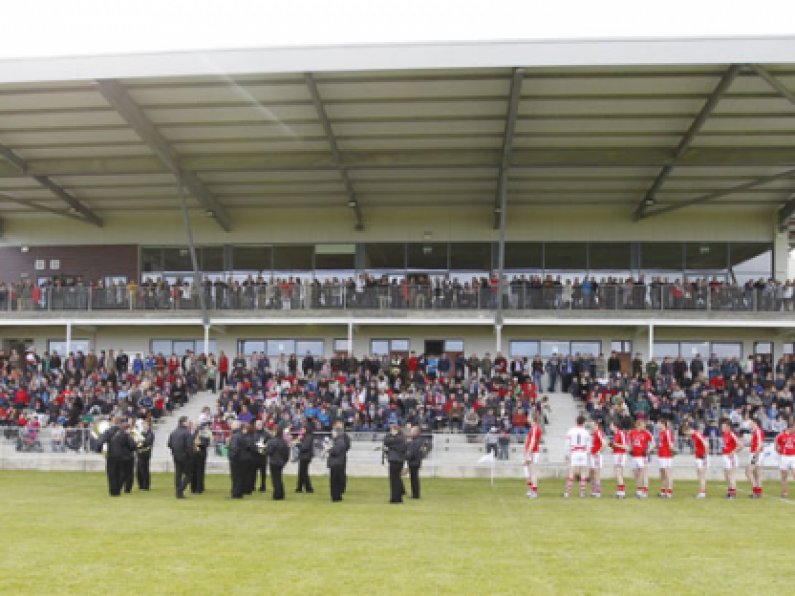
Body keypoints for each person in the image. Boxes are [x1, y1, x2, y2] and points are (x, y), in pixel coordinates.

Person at [564, 415, 591, 498]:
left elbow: (567, 444)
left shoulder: (571, 431)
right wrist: (588, 454)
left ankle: (567, 493)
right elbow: (589, 445)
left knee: (571, 473)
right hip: (583, 452)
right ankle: (582, 493)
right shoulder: (586, 432)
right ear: (583, 423)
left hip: (574, 452)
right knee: (583, 473)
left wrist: (567, 454)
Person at [628, 418, 655, 499]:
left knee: (644, 473)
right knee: (636, 473)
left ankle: (645, 491)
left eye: (645, 425)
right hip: (634, 456)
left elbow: (653, 444)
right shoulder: (632, 432)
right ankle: (639, 490)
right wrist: (630, 449)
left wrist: (648, 450)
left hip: (642, 456)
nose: (644, 426)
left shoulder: (647, 433)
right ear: (638, 425)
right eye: (643, 425)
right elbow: (629, 441)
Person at [167, 416, 193, 499]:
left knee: (178, 474)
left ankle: (178, 493)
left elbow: (169, 444)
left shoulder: (173, 432)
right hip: (185, 457)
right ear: (184, 422)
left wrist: (175, 451)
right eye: (188, 421)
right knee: (189, 474)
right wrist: (189, 455)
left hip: (175, 455)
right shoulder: (187, 432)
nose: (189, 423)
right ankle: (180, 490)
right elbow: (189, 446)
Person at [107, 423, 136, 497]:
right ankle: (125, 489)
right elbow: (132, 446)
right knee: (126, 474)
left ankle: (116, 489)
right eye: (129, 429)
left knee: (117, 474)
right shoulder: (127, 436)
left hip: (117, 456)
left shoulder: (115, 435)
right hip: (126, 457)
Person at [95, 416, 121, 496]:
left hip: (112, 454)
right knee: (119, 473)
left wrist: (98, 449)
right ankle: (118, 489)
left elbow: (101, 441)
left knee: (112, 473)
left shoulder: (109, 431)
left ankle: (113, 491)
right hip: (122, 455)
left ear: (112, 422)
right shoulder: (122, 431)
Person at [383, 422, 407, 503]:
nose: (391, 432)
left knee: (394, 480)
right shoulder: (400, 438)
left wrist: (391, 436)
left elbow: (386, 441)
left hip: (395, 460)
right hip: (398, 460)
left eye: (392, 430)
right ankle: (398, 497)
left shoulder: (398, 438)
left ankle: (395, 498)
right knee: (396, 479)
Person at [683, 424, 709, 498]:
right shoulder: (693, 436)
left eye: (686, 433)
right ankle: (701, 491)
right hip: (698, 456)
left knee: (702, 475)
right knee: (699, 475)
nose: (687, 435)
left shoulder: (697, 434)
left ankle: (703, 493)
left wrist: (705, 455)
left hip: (702, 457)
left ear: (688, 430)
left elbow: (706, 444)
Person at [720, 418, 743, 499]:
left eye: (723, 426)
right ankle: (730, 491)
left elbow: (741, 445)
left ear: (728, 427)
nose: (722, 428)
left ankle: (733, 493)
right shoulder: (724, 434)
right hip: (725, 455)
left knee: (731, 474)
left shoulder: (732, 434)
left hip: (730, 457)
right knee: (726, 474)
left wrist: (733, 452)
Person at [266, 425, 290, 500]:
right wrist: (284, 461)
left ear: (275, 432)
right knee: (279, 478)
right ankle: (281, 494)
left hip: (274, 462)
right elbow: (287, 453)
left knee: (275, 479)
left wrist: (260, 448)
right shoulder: (283, 442)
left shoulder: (272, 441)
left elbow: (268, 451)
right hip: (281, 462)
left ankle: (277, 495)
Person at [775, 418, 795, 498]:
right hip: (784, 457)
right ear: (790, 428)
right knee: (784, 475)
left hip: (793, 456)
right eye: (794, 428)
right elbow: (777, 446)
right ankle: (784, 491)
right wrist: (780, 453)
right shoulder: (780, 436)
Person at [746, 417, 765, 499]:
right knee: (756, 473)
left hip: (756, 453)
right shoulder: (756, 431)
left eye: (751, 422)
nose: (750, 424)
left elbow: (760, 443)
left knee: (748, 471)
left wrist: (755, 455)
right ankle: (758, 491)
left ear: (755, 423)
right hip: (756, 452)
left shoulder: (758, 431)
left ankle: (755, 490)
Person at [327, 426, 348, 502]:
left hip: (336, 463)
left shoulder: (339, 441)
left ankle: (336, 496)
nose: (332, 433)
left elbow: (336, 452)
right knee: (337, 481)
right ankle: (337, 496)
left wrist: (329, 449)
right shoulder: (338, 441)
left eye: (333, 432)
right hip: (338, 463)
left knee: (335, 481)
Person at [523, 416, 542, 499]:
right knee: (529, 473)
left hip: (533, 452)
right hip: (532, 451)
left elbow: (533, 441)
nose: (527, 419)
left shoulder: (535, 428)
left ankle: (534, 491)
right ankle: (532, 490)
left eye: (529, 417)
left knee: (532, 472)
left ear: (532, 419)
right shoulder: (533, 428)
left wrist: (528, 452)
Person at [227, 421, 247, 499]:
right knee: (239, 477)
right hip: (241, 459)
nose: (231, 425)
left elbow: (234, 448)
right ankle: (239, 492)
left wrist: (231, 456)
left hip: (236, 459)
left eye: (232, 424)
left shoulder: (235, 436)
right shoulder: (241, 435)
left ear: (236, 426)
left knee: (235, 477)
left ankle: (235, 493)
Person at [406, 426, 427, 499]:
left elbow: (413, 453)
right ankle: (415, 494)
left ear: (416, 432)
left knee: (414, 479)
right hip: (415, 461)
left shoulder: (417, 441)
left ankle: (415, 495)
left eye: (412, 431)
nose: (410, 432)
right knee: (414, 478)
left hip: (414, 462)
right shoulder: (416, 440)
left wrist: (407, 457)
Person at [588, 420, 607, 498]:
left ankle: (598, 491)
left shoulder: (599, 432)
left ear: (596, 425)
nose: (591, 426)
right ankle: (593, 490)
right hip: (592, 455)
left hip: (597, 456)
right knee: (592, 473)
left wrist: (598, 451)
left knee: (597, 473)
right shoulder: (594, 433)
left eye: (592, 425)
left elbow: (604, 443)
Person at [609, 420, 628, 499]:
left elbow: (625, 446)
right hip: (616, 454)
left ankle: (622, 492)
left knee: (618, 472)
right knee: (617, 473)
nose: (610, 427)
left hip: (620, 454)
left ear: (615, 426)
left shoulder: (621, 433)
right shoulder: (615, 434)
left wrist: (616, 444)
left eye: (611, 425)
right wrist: (612, 446)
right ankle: (620, 491)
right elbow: (616, 446)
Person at [657, 418, 675, 499]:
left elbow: (671, 444)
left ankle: (669, 491)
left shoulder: (667, 432)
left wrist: (672, 451)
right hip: (661, 455)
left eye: (658, 423)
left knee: (668, 473)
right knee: (662, 473)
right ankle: (663, 490)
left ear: (662, 424)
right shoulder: (661, 432)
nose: (657, 425)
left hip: (666, 455)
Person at [191, 421, 210, 494]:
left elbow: (207, 442)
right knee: (193, 472)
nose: (194, 426)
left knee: (200, 472)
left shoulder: (203, 433)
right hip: (192, 455)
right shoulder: (189, 433)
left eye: (195, 425)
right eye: (193, 425)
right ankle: (193, 488)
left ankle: (199, 488)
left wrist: (200, 443)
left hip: (201, 455)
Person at [295, 422, 315, 493]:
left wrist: (299, 444)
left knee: (303, 472)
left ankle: (308, 488)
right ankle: (299, 487)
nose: (301, 431)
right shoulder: (305, 436)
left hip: (306, 456)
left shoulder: (309, 437)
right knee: (301, 472)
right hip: (303, 456)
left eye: (303, 429)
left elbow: (305, 447)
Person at [136, 419, 154, 491]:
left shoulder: (150, 434)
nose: (144, 426)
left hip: (146, 453)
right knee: (139, 470)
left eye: (146, 425)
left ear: (149, 426)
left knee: (144, 469)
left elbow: (147, 442)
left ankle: (146, 485)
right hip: (140, 452)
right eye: (144, 425)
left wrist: (141, 441)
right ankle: (140, 485)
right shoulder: (141, 433)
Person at [252, 420, 270, 493]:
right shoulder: (253, 433)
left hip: (262, 455)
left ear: (262, 425)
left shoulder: (266, 433)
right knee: (253, 472)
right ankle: (252, 485)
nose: (258, 425)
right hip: (254, 455)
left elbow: (271, 440)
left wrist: (266, 446)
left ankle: (263, 486)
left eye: (259, 424)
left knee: (263, 472)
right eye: (257, 424)